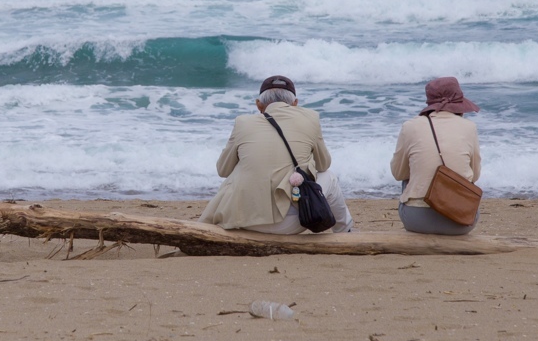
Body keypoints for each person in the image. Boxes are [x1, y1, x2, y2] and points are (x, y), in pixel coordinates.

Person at [199, 76, 354, 234]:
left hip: (244, 221)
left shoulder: (242, 123)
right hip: (295, 221)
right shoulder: (311, 119)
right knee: (329, 177)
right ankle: (345, 232)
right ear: (295, 103)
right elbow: (323, 165)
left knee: (241, 169)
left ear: (259, 104)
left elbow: (223, 170)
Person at [390, 76, 482, 235]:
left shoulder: (410, 126)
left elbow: (398, 174)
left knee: (410, 177)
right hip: (461, 221)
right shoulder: (469, 127)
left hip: (417, 221)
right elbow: (475, 175)